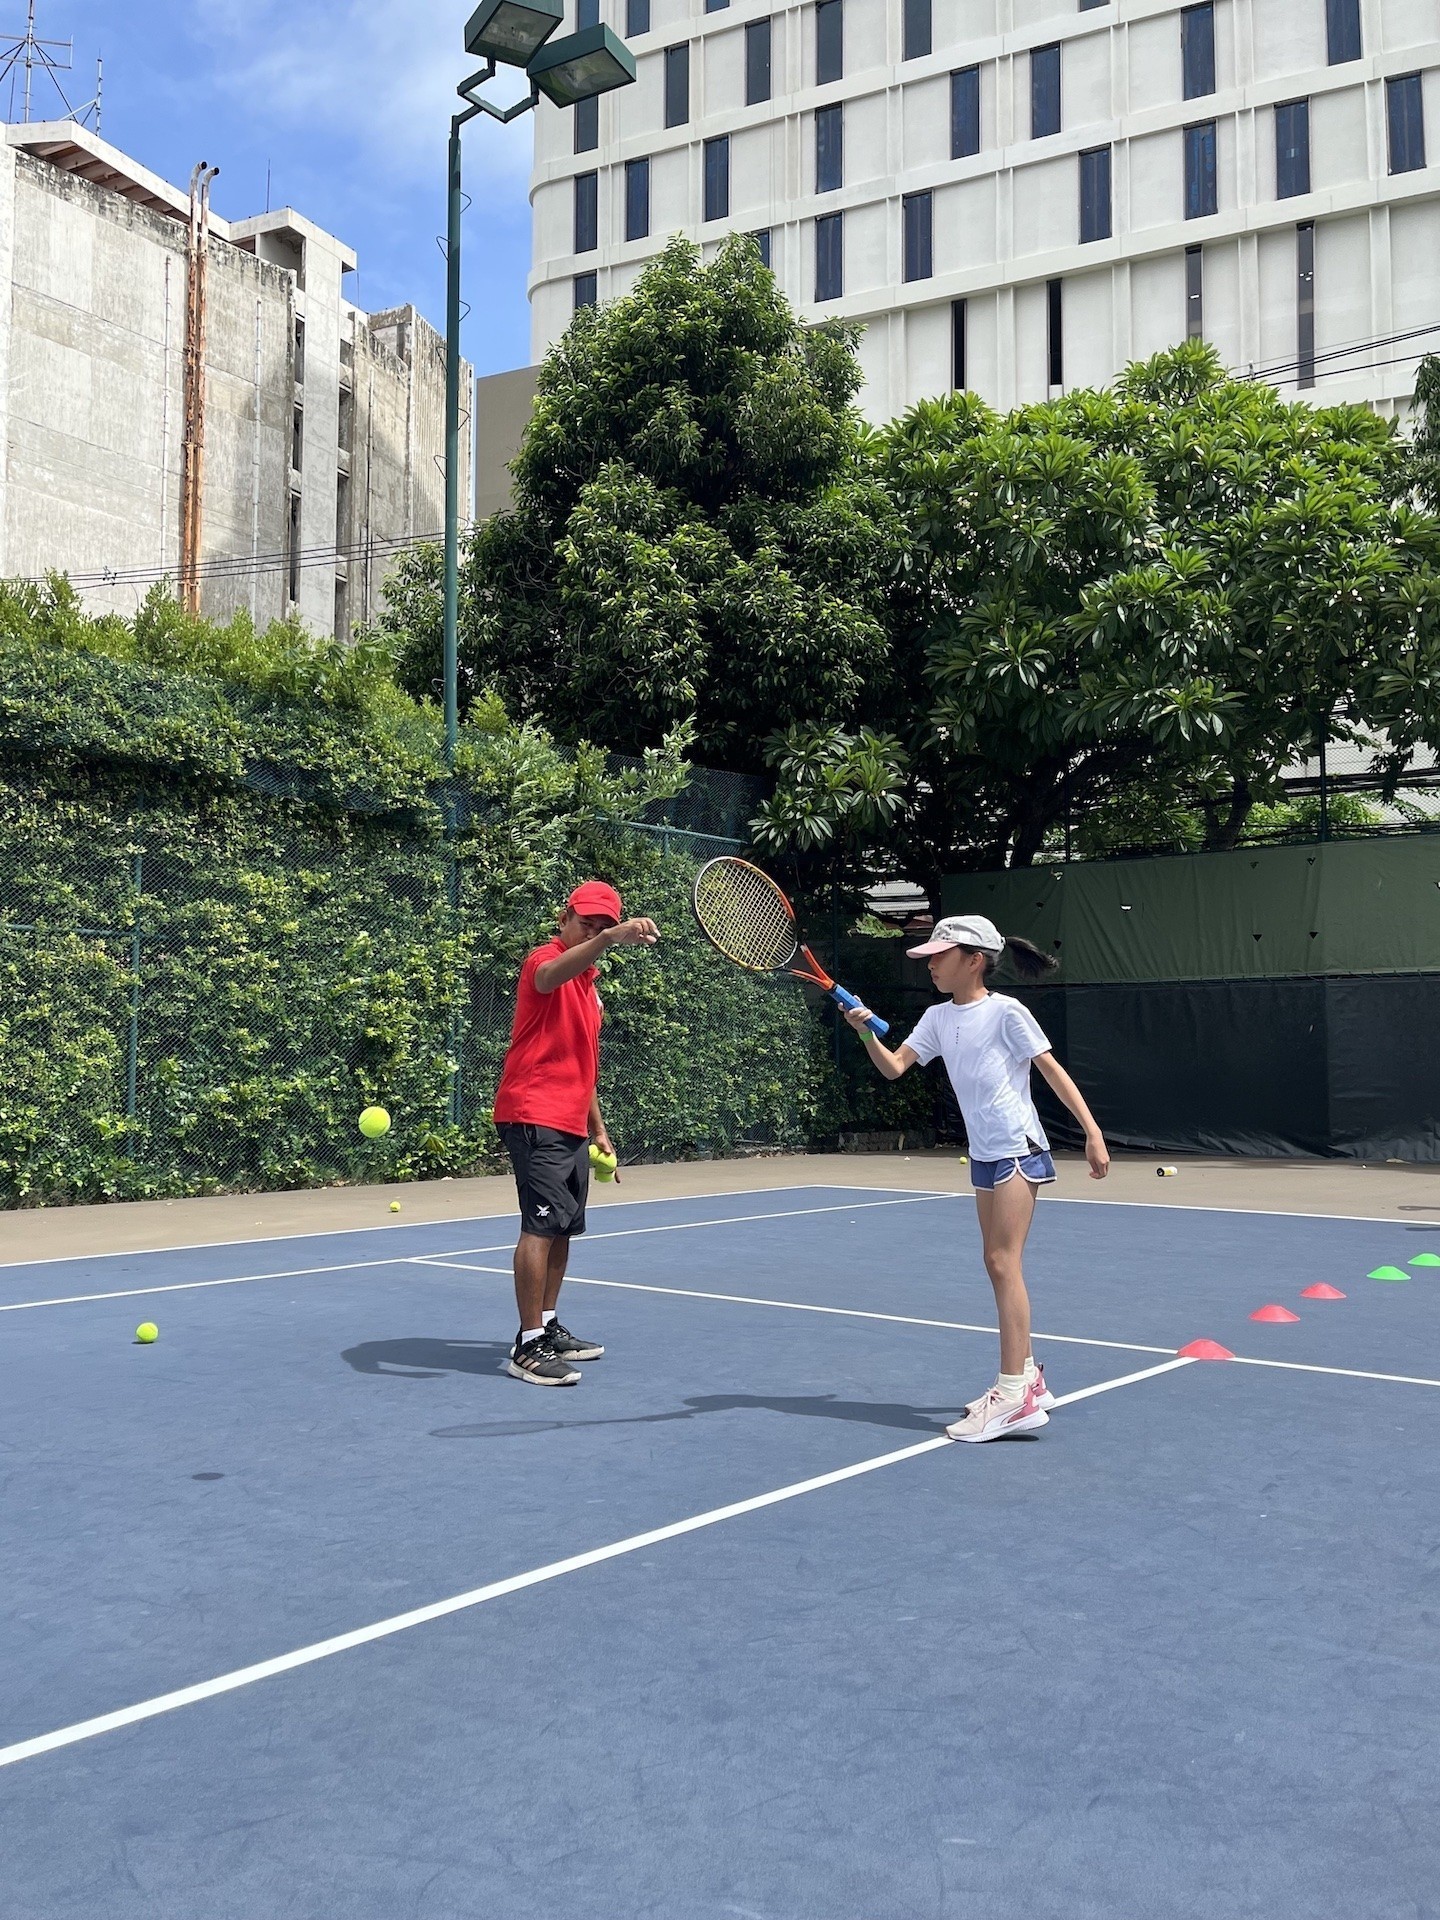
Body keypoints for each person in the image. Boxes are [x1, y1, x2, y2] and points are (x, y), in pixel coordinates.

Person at [843, 913, 1109, 1442]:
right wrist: (864, 1032)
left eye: (940, 955)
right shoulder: (938, 1017)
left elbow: (1051, 1070)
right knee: (996, 1263)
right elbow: (895, 1066)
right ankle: (1028, 1377)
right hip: (984, 1153)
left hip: (1016, 1147)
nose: (931, 964)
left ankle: (1012, 1395)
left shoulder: (1007, 1012)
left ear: (974, 961)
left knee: (1002, 1262)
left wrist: (1092, 1132)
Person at [492, 880, 659, 1386]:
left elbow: (583, 1065)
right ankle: (527, 1345)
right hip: (533, 1112)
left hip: (570, 1121)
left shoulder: (590, 989)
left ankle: (546, 1324)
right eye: (587, 923)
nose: (594, 931)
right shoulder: (543, 960)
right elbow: (547, 978)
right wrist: (607, 939)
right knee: (540, 1227)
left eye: (604, 925)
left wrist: (598, 1129)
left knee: (563, 1227)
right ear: (564, 919)